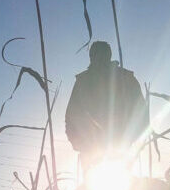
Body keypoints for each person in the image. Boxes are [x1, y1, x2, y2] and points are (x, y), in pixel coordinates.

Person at [64, 40, 149, 173]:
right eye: (95, 55)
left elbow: (142, 115)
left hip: (120, 154)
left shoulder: (125, 78)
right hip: (91, 155)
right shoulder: (83, 82)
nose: (98, 58)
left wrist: (128, 141)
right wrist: (80, 145)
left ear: (108, 55)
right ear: (91, 57)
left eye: (102, 54)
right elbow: (71, 117)